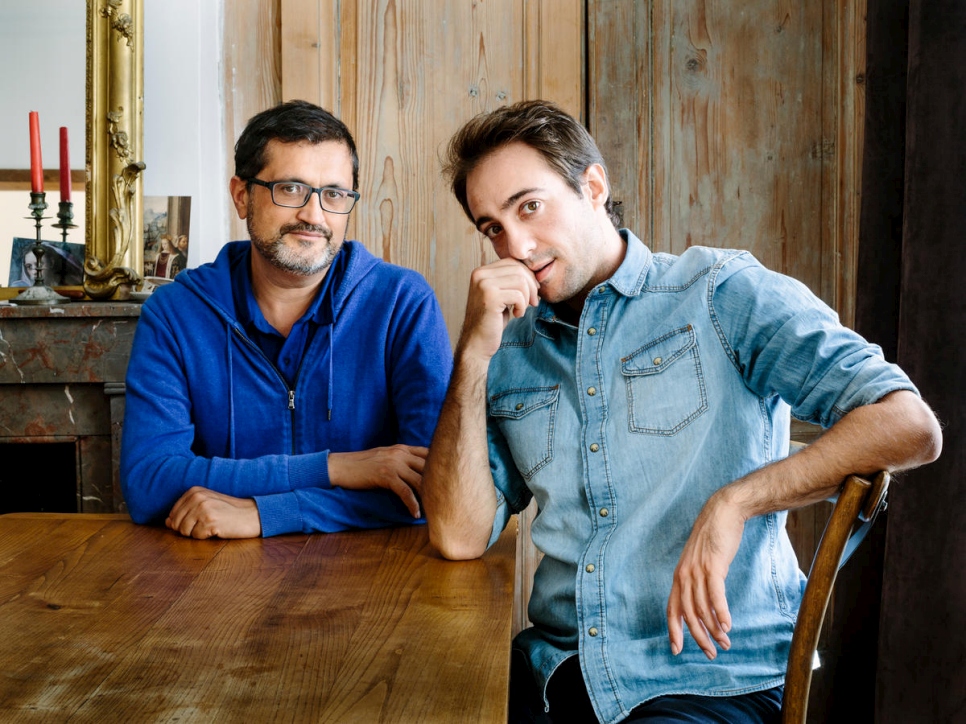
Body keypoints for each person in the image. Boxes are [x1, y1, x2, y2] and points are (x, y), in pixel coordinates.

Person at [421, 100, 942, 724]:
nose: (517, 245)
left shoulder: (721, 293)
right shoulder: (511, 350)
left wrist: (737, 501)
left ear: (593, 186)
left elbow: (910, 425)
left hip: (711, 679)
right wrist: (473, 355)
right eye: (492, 227)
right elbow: (456, 535)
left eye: (529, 206)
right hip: (556, 675)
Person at [121, 99, 453, 540]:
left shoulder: (401, 304)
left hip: (377, 582)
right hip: (213, 583)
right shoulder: (175, 313)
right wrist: (337, 467)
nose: (314, 216)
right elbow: (149, 482)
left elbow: (430, 487)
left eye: (334, 194)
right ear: (242, 196)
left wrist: (264, 515)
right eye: (291, 189)